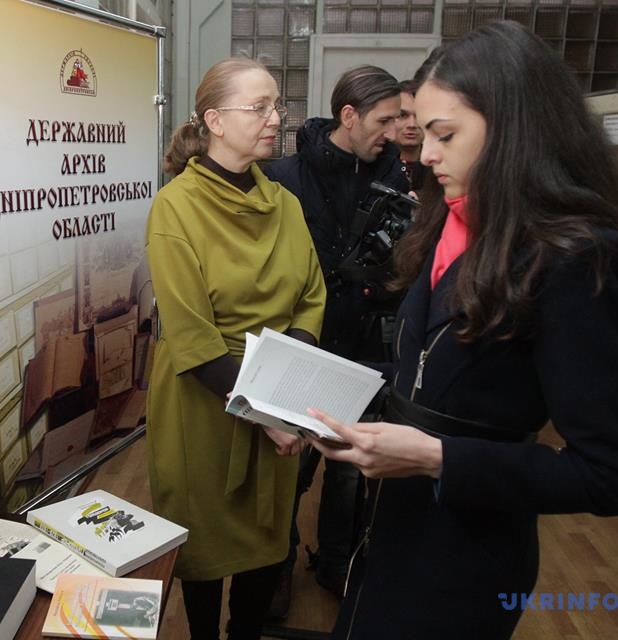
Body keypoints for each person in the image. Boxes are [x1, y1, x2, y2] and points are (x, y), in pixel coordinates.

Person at [305, 21, 618, 639]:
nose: (425, 153)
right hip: (391, 531)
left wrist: (435, 458)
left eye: (444, 135)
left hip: (466, 558)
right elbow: (430, 372)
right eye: (423, 132)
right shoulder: (452, 220)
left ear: (514, 131)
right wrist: (321, 390)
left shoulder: (577, 260)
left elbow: (610, 476)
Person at [146, 57, 326, 640]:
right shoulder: (176, 207)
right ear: (215, 121)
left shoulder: (285, 204)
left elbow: (312, 297)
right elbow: (191, 333)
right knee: (204, 538)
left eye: (277, 106)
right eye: (260, 107)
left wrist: (284, 388)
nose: (277, 119)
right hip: (206, 399)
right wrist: (265, 410)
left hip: (275, 391)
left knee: (268, 536)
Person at [262, 64, 408, 613]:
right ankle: (276, 568)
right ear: (349, 115)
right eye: (384, 120)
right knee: (289, 473)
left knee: (349, 476)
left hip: (366, 348)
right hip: (302, 345)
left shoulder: (398, 180)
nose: (393, 132)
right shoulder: (284, 175)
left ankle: (336, 567)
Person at [394, 79, 426, 193]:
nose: (412, 124)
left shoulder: (442, 166)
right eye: (402, 115)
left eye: (420, 115)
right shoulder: (372, 165)